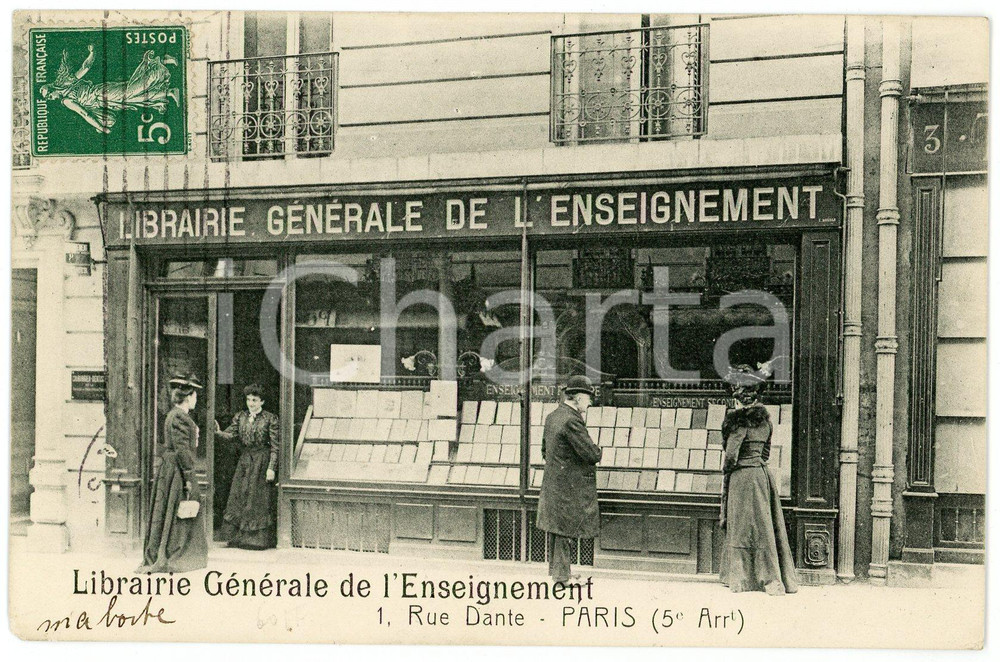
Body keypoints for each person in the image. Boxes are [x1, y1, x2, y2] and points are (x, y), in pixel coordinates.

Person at [718, 364, 798, 595]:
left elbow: (731, 455)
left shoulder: (738, 422)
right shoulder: (766, 422)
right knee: (764, 528)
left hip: (742, 478)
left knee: (741, 527)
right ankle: (771, 578)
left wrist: (728, 471)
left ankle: (740, 579)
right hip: (762, 477)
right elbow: (766, 454)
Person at [137, 373, 208, 573]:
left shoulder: (177, 415)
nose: (196, 400)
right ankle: (176, 554)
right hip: (176, 470)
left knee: (173, 510)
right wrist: (188, 477)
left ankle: (172, 551)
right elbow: (181, 449)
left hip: (172, 468)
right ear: (188, 396)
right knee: (179, 509)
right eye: (195, 396)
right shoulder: (179, 417)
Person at [536, 375, 603, 584]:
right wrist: (598, 451)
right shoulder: (572, 420)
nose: (590, 401)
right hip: (568, 487)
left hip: (555, 483)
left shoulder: (553, 416)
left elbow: (545, 451)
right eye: (588, 397)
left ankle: (560, 573)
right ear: (578, 397)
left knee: (559, 529)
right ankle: (562, 578)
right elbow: (592, 454)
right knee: (565, 530)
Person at [215, 384, 279, 550]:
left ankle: (255, 540)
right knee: (240, 495)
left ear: (262, 402)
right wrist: (218, 432)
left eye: (255, 400)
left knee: (256, 498)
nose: (251, 403)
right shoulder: (241, 417)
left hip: (261, 461)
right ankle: (237, 538)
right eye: (249, 399)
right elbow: (231, 435)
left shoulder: (270, 419)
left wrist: (271, 467)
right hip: (245, 461)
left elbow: (275, 446)